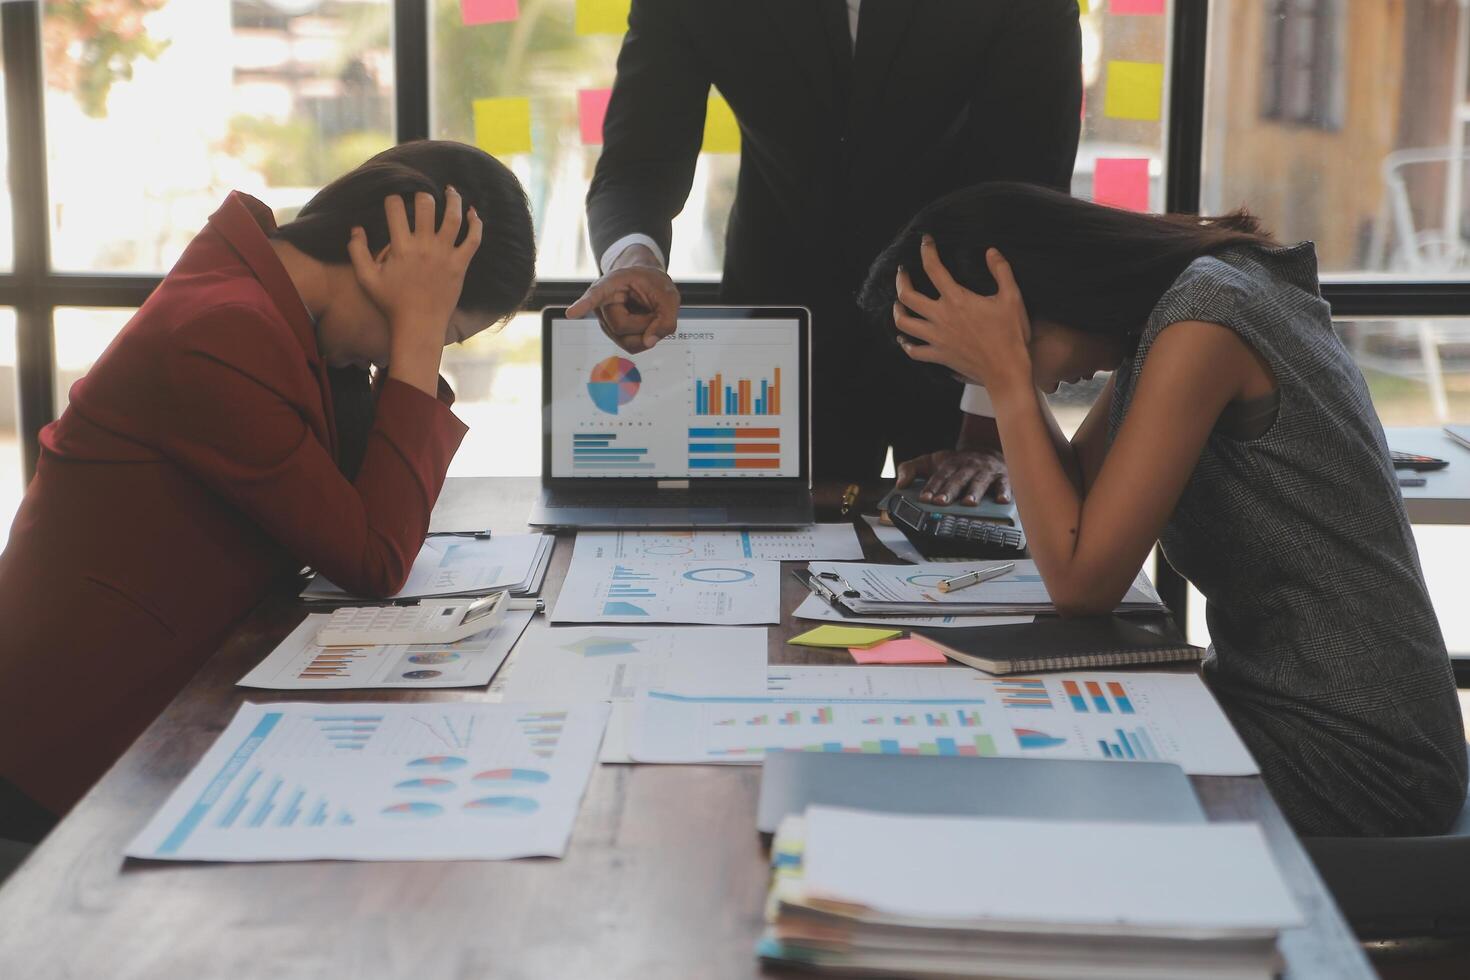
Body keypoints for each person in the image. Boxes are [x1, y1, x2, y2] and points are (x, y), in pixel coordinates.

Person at [859, 181, 1467, 836]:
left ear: (1031, 293)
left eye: (996, 354)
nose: (1022, 378)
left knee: (1012, 787)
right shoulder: (1177, 311)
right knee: (1002, 741)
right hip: (1269, 708)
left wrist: (1007, 377)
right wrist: (1006, 368)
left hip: (1361, 757)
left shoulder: (1205, 322)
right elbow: (1079, 501)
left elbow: (1082, 583)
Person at [0, 141, 536, 830]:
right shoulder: (224, 331)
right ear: (379, 259)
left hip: (168, 708)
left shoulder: (271, 308)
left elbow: (363, 509)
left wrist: (412, 324)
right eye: (434, 328)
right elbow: (375, 557)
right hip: (66, 755)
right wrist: (417, 340)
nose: (411, 350)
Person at [571, 0, 1082, 484]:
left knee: (968, 557)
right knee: (755, 562)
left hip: (965, 324)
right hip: (778, 329)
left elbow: (1028, 191)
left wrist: (990, 422)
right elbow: (636, 164)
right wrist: (634, 260)